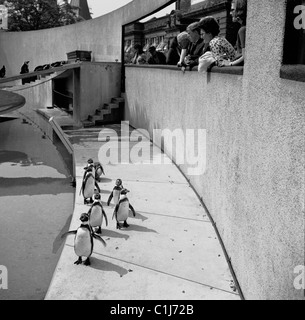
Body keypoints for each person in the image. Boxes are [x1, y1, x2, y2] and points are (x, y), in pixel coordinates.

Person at [220, 0, 247, 67]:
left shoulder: (242, 30)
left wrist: (230, 64)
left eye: (232, 10)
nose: (230, 13)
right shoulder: (243, 28)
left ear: (240, 10)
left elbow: (245, 56)